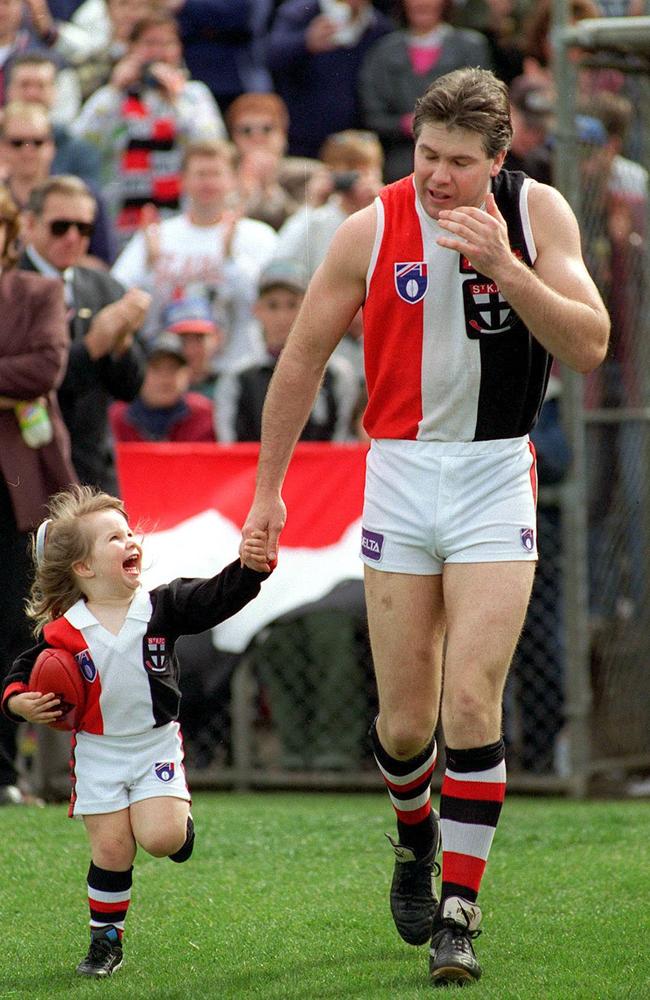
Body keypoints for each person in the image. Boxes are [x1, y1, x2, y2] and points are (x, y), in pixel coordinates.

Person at [240, 67, 609, 986]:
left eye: (456, 162)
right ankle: (415, 836)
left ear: (498, 158)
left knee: (471, 702)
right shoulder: (370, 228)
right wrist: (268, 491)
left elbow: (590, 342)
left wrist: (504, 267)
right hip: (399, 475)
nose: (436, 177)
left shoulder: (537, 217)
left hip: (494, 474)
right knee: (406, 727)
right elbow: (301, 361)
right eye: (425, 155)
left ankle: (459, 913)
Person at [1, 483, 272, 976]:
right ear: (84, 568)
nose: (130, 542)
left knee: (161, 839)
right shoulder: (65, 631)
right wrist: (21, 702)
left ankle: (179, 828)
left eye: (129, 533)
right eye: (113, 539)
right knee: (111, 848)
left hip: (154, 746)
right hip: (99, 753)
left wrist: (250, 569)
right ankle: (105, 944)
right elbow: (18, 675)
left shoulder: (161, 607)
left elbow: (214, 598)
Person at [0, 184, 77, 805]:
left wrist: (20, 380)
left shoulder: (38, 292)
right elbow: (21, 372)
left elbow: (45, 368)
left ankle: (5, 774)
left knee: (11, 628)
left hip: (15, 488)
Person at [20, 175, 149, 493]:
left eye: (84, 228)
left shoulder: (103, 286)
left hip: (92, 468)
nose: (73, 237)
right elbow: (27, 379)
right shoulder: (11, 286)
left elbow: (131, 388)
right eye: (60, 227)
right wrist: (93, 345)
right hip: (24, 470)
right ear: (30, 223)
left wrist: (122, 342)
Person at [112, 139, 277, 369]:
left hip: (236, 370)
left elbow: (270, 307)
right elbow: (118, 297)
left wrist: (231, 260)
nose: (207, 182)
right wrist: (149, 268)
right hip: (165, 371)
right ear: (183, 181)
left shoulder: (259, 236)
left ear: (233, 179)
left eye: (215, 174)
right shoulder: (155, 235)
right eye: (200, 174)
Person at [70, 12, 226, 248]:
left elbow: (211, 145)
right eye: (150, 43)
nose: (159, 52)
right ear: (131, 49)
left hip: (178, 218)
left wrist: (177, 101)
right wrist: (114, 91)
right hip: (122, 218)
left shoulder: (194, 95)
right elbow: (80, 143)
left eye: (167, 43)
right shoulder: (113, 96)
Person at [359, 0, 493, 183]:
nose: (422, 3)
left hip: (459, 157)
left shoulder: (470, 46)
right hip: (398, 162)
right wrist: (404, 124)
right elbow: (372, 114)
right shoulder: (383, 51)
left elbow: (483, 107)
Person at [266, 0, 393, 159]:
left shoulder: (379, 26)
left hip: (356, 141)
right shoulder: (300, 12)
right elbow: (271, 58)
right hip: (302, 139)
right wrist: (305, 43)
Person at [0, 100, 115, 266]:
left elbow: (104, 265)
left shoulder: (82, 196)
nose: (28, 150)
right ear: (2, 147)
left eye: (37, 142)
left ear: (51, 146)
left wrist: (54, 253)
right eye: (17, 142)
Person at [109, 330, 216, 443]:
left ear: (187, 374)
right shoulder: (117, 417)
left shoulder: (203, 414)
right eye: (156, 369)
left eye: (172, 369)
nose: (165, 379)